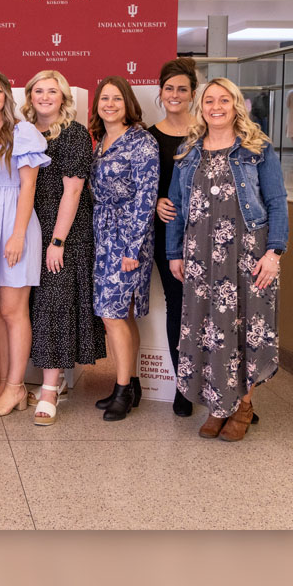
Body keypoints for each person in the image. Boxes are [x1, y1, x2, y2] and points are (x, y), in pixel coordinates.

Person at [167, 77, 288, 441]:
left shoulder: (257, 149)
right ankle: (217, 406)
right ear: (200, 108)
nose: (216, 107)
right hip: (201, 256)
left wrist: (274, 253)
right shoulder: (188, 152)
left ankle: (243, 406)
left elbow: (277, 202)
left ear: (236, 105)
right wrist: (174, 253)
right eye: (209, 101)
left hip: (248, 255)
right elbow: (174, 207)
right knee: (209, 330)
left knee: (246, 328)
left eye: (224, 100)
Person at [21, 71, 105, 426]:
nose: (44, 96)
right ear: (29, 96)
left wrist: (57, 241)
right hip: (30, 230)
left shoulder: (72, 134)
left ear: (63, 97)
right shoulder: (23, 132)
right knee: (34, 307)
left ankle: (50, 390)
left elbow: (72, 192)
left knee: (54, 307)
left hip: (63, 233)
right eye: (38, 90)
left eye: (51, 91)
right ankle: (45, 381)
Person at [0, 69, 51, 418]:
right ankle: (5, 382)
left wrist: (17, 235)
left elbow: (28, 187)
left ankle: (16, 386)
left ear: (6, 96)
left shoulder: (22, 131)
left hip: (14, 224)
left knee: (14, 311)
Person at [90, 76, 159, 421]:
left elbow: (146, 198)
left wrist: (132, 248)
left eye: (117, 98)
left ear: (128, 103)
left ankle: (121, 391)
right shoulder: (101, 139)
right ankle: (130, 385)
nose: (110, 104)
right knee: (122, 314)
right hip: (103, 232)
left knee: (112, 314)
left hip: (129, 237)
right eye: (104, 98)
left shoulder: (141, 142)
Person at [147, 58, 197, 417]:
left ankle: (225, 391)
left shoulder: (209, 129)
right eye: (169, 89)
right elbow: (139, 185)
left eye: (182, 88)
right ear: (161, 93)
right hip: (170, 236)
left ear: (193, 93)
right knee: (179, 308)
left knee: (215, 311)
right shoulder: (151, 135)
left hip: (212, 234)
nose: (175, 95)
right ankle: (184, 385)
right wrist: (155, 202)